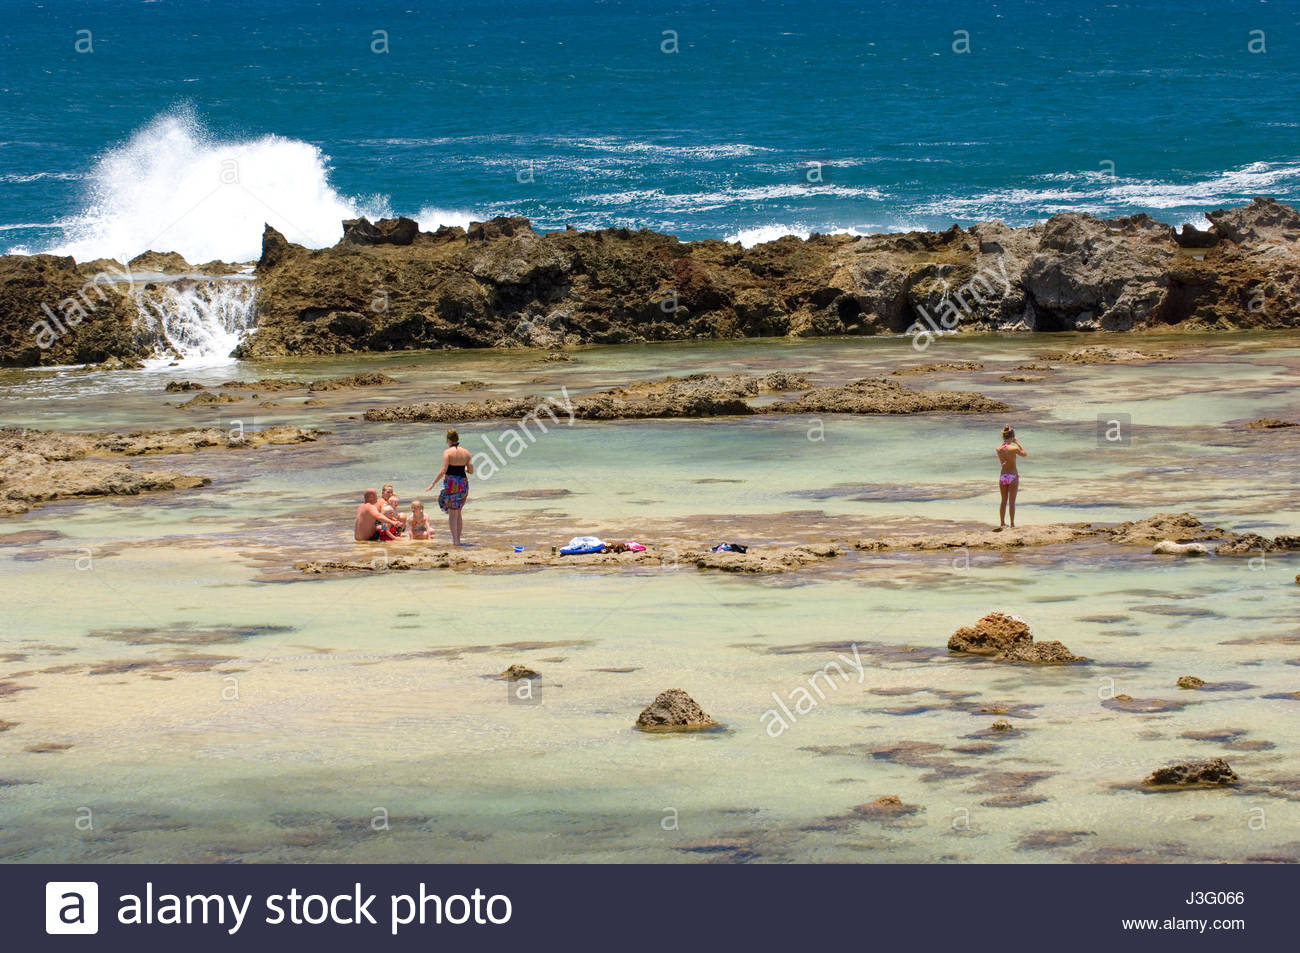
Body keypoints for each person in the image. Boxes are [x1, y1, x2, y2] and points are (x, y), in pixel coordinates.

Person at [426, 428, 474, 545]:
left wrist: (433, 483)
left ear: (448, 440)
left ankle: (455, 541)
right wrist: (462, 467)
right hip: (463, 483)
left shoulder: (447, 452)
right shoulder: (466, 452)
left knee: (453, 513)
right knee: (458, 512)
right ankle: (458, 539)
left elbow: (443, 470)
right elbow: (471, 471)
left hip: (451, 483)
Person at [995, 425, 1027, 529]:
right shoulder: (1013, 448)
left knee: (1003, 501)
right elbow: (1024, 454)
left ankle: (1002, 523)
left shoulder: (998, 449)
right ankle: (1012, 524)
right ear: (1012, 437)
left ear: (1003, 437)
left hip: (1003, 476)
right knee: (1012, 502)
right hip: (1012, 476)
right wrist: (1017, 442)